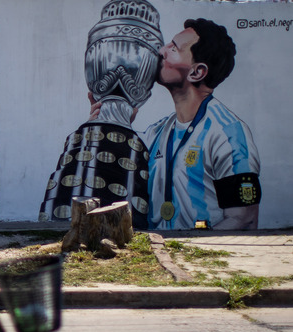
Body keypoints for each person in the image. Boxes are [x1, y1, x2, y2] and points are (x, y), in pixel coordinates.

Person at [90, 18, 261, 230]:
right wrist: (106, 121)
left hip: (200, 258)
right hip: (157, 255)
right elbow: (113, 168)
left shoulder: (228, 133)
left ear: (196, 72)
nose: (162, 50)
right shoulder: (157, 132)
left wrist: (195, 249)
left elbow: (243, 219)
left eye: (174, 48)